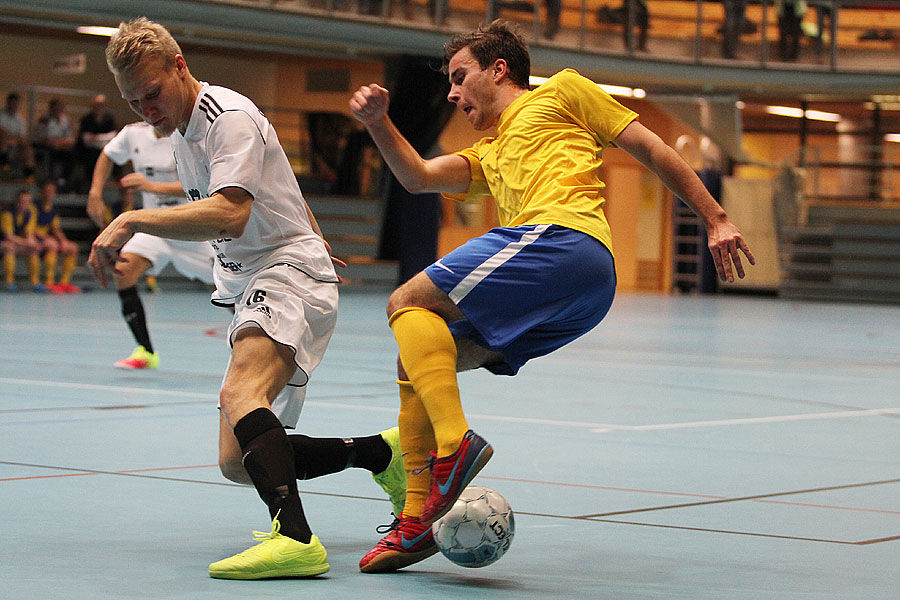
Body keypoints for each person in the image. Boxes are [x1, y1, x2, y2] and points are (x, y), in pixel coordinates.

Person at [349, 19, 755, 573]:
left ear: (500, 70)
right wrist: (378, 123)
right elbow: (418, 175)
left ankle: (454, 445)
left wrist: (716, 216)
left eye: (460, 77)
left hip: (563, 242)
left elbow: (651, 146)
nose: (451, 92)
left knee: (405, 302)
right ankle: (419, 518)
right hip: (581, 294)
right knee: (414, 359)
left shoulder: (563, 90)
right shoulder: (488, 154)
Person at [89, 17, 406, 580]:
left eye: (153, 94)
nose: (146, 111)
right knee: (239, 462)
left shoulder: (226, 116)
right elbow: (278, 178)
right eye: (133, 102)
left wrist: (130, 219)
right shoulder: (183, 132)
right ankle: (382, 453)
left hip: (284, 274)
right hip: (256, 282)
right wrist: (313, 228)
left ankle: (298, 540)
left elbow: (232, 214)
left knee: (240, 392)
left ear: (180, 66)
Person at [86, 119, 213, 369]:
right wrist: (95, 193)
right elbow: (107, 155)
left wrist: (150, 186)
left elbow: (200, 186)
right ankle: (146, 351)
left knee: (229, 290)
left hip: (191, 229)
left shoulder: (191, 137)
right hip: (153, 225)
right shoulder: (133, 133)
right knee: (123, 273)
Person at [34, 181, 80, 294]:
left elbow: (55, 228)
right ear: (41, 192)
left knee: (72, 247)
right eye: (47, 191)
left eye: (51, 192)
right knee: (52, 245)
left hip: (46, 238)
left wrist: (63, 240)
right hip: (34, 237)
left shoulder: (52, 210)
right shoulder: (33, 207)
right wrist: (47, 238)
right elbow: (29, 229)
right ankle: (49, 282)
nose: (49, 194)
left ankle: (64, 282)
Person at [1, 187, 42, 292]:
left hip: (16, 242)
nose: (25, 203)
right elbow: (8, 236)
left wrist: (32, 243)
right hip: (3, 241)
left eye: (27, 201)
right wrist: (26, 242)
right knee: (10, 248)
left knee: (33, 249)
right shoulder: (7, 212)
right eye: (22, 201)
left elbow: (29, 233)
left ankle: (35, 283)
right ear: (17, 201)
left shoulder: (28, 213)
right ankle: (9, 282)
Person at [75, 94, 118, 193]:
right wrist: (102, 139)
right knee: (88, 157)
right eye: (97, 104)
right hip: (89, 151)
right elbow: (86, 139)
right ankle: (91, 184)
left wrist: (97, 138)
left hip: (105, 148)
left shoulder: (109, 118)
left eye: (101, 104)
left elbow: (113, 135)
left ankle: (110, 181)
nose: (99, 107)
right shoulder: (86, 118)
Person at [33, 98, 76, 191]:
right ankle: (50, 181)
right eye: (56, 108)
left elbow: (71, 139)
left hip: (61, 148)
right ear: (51, 108)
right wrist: (57, 142)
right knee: (51, 151)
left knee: (73, 155)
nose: (58, 110)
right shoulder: (44, 120)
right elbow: (45, 138)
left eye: (61, 108)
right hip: (47, 147)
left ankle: (63, 180)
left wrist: (58, 142)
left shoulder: (67, 120)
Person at [0, 92, 35, 180]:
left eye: (15, 103)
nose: (13, 105)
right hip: (2, 145)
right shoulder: (1, 115)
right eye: (11, 103)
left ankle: (29, 176)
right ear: (7, 103)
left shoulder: (20, 119)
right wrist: (11, 137)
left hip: (14, 146)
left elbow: (21, 137)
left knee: (28, 149)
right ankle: (4, 163)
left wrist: (13, 138)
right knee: (3, 136)